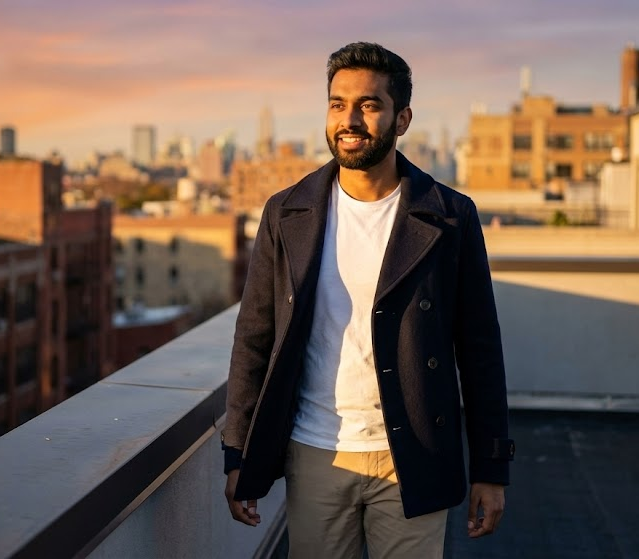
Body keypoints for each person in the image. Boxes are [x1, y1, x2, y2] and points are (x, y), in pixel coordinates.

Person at [222, 41, 514, 558]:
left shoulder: (448, 216)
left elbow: (480, 350)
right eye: (338, 104)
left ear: (401, 119)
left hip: (414, 455)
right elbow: (255, 338)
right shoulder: (287, 212)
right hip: (315, 453)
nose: (349, 119)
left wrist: (491, 468)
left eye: (368, 105)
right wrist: (237, 452)